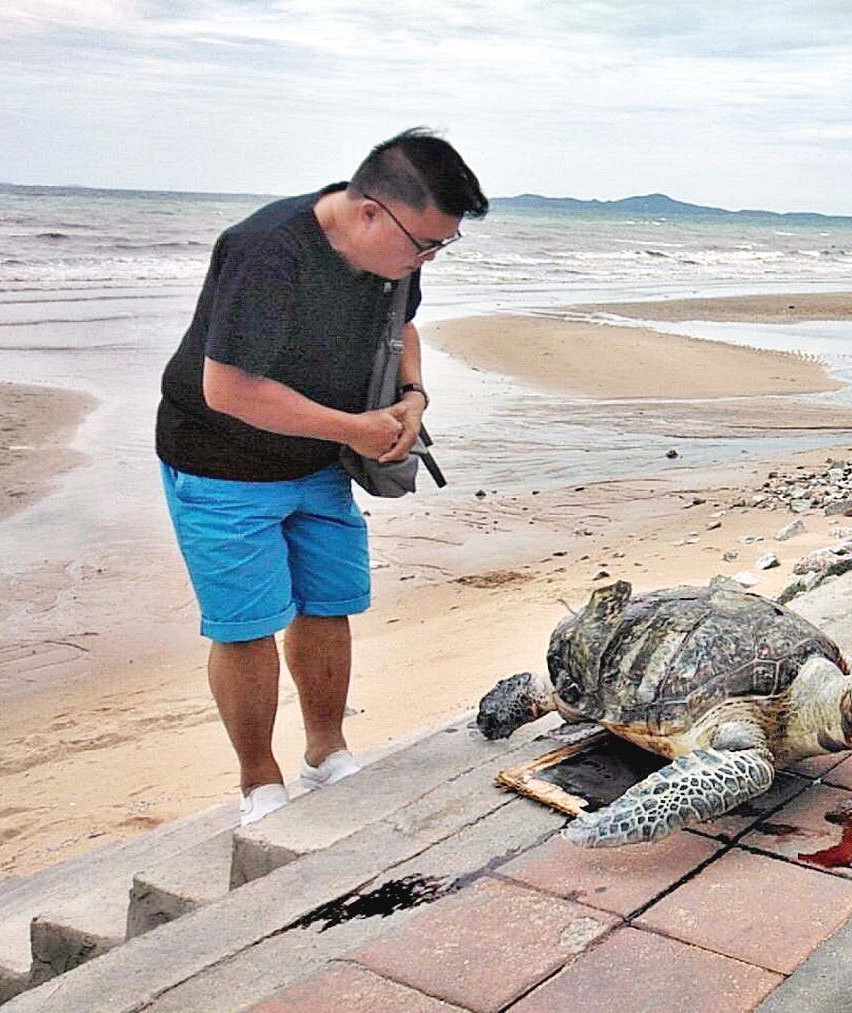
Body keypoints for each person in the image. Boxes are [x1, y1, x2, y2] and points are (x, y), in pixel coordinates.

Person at [156, 129, 488, 825]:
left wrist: (414, 395)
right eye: (424, 243)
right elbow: (229, 388)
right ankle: (259, 782)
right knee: (246, 623)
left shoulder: (396, 257)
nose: (427, 258)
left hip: (318, 463)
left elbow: (407, 329)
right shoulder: (268, 250)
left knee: (328, 603)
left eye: (440, 247)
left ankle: (326, 752)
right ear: (370, 212)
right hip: (220, 461)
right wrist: (354, 428)